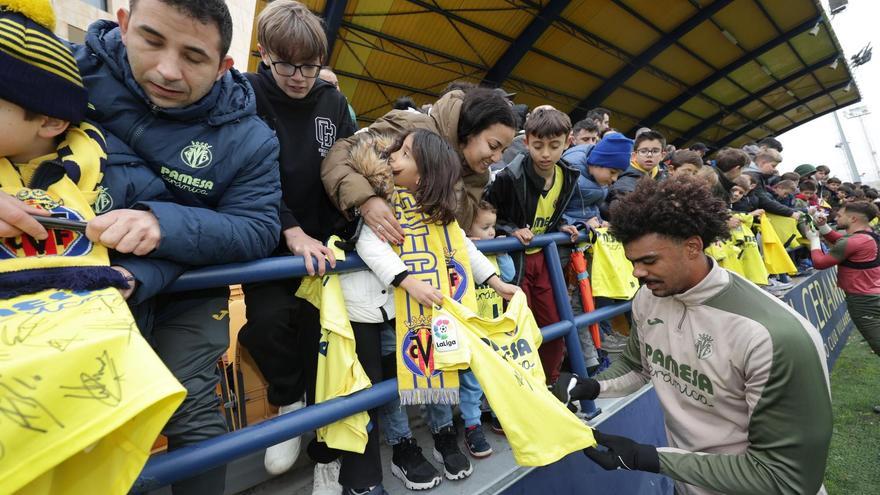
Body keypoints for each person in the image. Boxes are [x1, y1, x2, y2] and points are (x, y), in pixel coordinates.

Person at [72, 1, 282, 492]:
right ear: (123, 24)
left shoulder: (251, 140)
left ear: (223, 65)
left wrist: (162, 225)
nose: (168, 70)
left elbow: (256, 228)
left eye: (193, 56)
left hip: (183, 293)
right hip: (68, 283)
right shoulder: (66, 71)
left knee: (190, 405)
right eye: (151, 40)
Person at [0, 1, 187, 492]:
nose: (168, 70)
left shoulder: (115, 171)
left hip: (79, 381)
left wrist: (147, 244)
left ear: (48, 121)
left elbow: (180, 240)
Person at [553, 176, 832, 495]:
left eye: (649, 261)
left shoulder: (773, 336)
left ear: (693, 246)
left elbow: (785, 478)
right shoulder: (648, 296)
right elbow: (640, 366)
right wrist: (590, 386)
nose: (636, 273)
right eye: (632, 262)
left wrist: (649, 458)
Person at [346, 129, 518, 489]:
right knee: (396, 383)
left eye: (406, 155)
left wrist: (495, 281)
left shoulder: (440, 210)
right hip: (390, 311)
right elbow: (367, 243)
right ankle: (402, 447)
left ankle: (443, 435)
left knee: (437, 369)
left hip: (432, 311)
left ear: (425, 174)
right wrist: (406, 280)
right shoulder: (379, 200)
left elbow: (465, 249)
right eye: (398, 150)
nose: (393, 157)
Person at [234, 1, 358, 481]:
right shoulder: (243, 95)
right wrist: (289, 228)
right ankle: (289, 403)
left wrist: (362, 210)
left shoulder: (332, 102)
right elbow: (246, 173)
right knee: (267, 324)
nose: (299, 76)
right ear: (263, 53)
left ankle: (321, 426)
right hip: (267, 235)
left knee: (320, 333)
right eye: (287, 64)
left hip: (325, 239)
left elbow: (347, 164)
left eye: (310, 65)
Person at [322, 86, 516, 235]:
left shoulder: (478, 175)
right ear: (472, 129)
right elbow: (340, 155)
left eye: (504, 150)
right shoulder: (412, 127)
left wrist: (450, 172)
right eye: (493, 145)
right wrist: (365, 200)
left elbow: (461, 225)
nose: (498, 158)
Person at [486, 107, 580, 384]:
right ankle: (520, 388)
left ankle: (549, 382)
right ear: (526, 142)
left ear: (568, 142)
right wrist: (511, 230)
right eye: (538, 145)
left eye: (554, 146)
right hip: (513, 262)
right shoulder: (507, 177)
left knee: (554, 322)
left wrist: (562, 224)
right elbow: (490, 216)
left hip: (546, 259)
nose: (546, 153)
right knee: (516, 326)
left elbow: (550, 211)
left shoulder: (568, 175)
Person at [807, 201, 880, 412]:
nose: (836, 218)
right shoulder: (868, 235)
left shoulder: (855, 241)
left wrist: (813, 241)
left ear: (853, 218)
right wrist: (822, 228)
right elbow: (841, 241)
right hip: (872, 296)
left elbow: (820, 262)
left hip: (864, 301)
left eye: (840, 216)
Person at [561, 133, 633, 229]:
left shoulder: (599, 178)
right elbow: (553, 215)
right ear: (598, 162)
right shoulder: (570, 171)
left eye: (618, 175)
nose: (615, 179)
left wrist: (600, 222)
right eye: (612, 172)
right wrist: (581, 225)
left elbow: (592, 208)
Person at [743, 149, 801, 220]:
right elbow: (763, 201)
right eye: (773, 166)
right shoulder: (753, 177)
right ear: (762, 163)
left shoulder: (758, 176)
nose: (774, 169)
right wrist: (790, 213)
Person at [610, 130, 665, 198]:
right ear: (634, 156)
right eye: (643, 151)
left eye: (655, 151)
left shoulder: (660, 176)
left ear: (662, 155)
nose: (649, 155)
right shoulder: (625, 183)